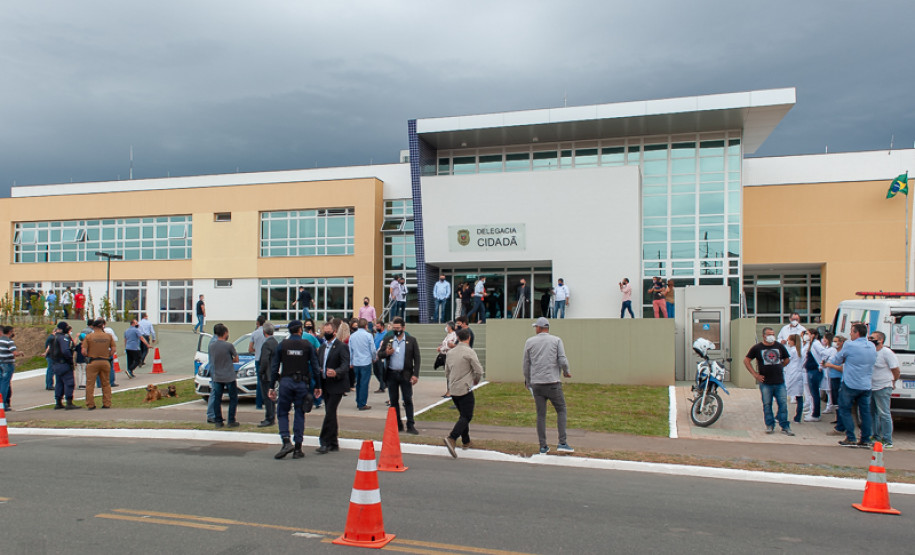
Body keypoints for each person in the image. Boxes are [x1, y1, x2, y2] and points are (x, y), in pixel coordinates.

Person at [268, 320, 322, 459]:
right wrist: (318, 386)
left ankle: (286, 441)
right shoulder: (307, 345)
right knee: (299, 413)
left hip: (286, 382)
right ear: (300, 331)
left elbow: (274, 368)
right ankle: (298, 448)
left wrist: (271, 386)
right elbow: (316, 367)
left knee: (282, 412)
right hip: (301, 384)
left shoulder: (282, 345)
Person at [523, 317, 573, 454]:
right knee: (561, 409)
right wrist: (566, 372)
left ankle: (543, 445)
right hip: (552, 382)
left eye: (536, 327)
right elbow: (562, 359)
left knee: (541, 415)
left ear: (539, 328)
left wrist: (528, 381)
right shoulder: (556, 340)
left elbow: (526, 364)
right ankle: (562, 442)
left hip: (537, 383)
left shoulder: (530, 342)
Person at [824, 323, 876, 447]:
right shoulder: (871, 345)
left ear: (857, 333)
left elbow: (836, 359)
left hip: (850, 383)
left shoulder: (849, 345)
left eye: (852, 332)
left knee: (844, 409)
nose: (850, 334)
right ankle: (865, 438)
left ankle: (851, 437)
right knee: (865, 412)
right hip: (866, 384)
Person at [743, 327, 794, 436]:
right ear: (764, 336)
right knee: (767, 404)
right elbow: (746, 360)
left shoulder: (779, 346)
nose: (772, 336)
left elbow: (787, 359)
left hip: (779, 381)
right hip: (765, 382)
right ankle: (770, 425)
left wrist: (781, 366)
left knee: (783, 405)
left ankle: (785, 426)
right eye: (769, 334)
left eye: (773, 334)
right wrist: (755, 374)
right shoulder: (757, 348)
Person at [442, 327, 484, 458]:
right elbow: (479, 370)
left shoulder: (450, 352)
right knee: (467, 416)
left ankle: (466, 441)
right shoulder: (469, 352)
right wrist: (476, 380)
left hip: (453, 388)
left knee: (462, 415)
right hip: (464, 388)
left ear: (457, 338)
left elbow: (447, 372)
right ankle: (452, 437)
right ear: (469, 338)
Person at [378, 316, 421, 434]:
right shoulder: (389, 339)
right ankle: (398, 424)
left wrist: (415, 374)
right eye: (394, 328)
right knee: (393, 400)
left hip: (405, 374)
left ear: (403, 328)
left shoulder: (411, 341)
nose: (396, 330)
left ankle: (410, 424)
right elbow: (380, 354)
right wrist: (386, 353)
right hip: (392, 373)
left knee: (407, 399)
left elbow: (417, 359)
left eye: (398, 328)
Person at [316, 322, 351, 453]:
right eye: (325, 331)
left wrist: (336, 372)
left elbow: (345, 364)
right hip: (325, 384)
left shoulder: (341, 347)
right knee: (330, 413)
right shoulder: (323, 347)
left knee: (330, 412)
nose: (326, 334)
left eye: (328, 331)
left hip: (337, 384)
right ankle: (333, 442)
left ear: (335, 332)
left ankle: (324, 441)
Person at [869, 331, 899, 448]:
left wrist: (893, 381)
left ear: (880, 340)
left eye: (872, 338)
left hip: (883, 387)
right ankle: (875, 436)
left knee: (884, 413)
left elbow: (895, 369)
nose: (870, 339)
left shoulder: (886, 352)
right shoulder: (871, 352)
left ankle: (887, 439)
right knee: (873, 413)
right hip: (872, 386)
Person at [208, 323, 240, 428]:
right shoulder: (228, 345)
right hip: (229, 376)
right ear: (225, 333)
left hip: (217, 376)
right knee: (233, 398)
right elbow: (236, 358)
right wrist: (230, 359)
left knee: (217, 399)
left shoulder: (211, 346)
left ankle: (218, 421)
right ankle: (231, 420)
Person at [83, 319, 114, 410]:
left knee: (90, 384)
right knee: (106, 384)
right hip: (105, 361)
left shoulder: (88, 337)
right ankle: (107, 403)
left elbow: (83, 351)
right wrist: (107, 355)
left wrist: (88, 355)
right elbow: (113, 349)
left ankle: (90, 404)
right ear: (102, 326)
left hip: (93, 361)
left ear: (93, 326)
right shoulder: (108, 336)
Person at [50, 321, 81, 410]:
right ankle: (69, 402)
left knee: (59, 383)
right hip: (63, 363)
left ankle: (58, 402)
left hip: (56, 363)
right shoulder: (63, 338)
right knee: (69, 383)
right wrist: (70, 359)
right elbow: (65, 351)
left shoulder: (53, 337)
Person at [348, 318, 376, 411]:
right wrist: (374, 357)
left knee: (358, 382)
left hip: (356, 361)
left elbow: (350, 350)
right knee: (364, 382)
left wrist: (350, 362)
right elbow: (372, 349)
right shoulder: (368, 335)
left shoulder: (352, 336)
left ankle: (358, 400)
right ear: (366, 326)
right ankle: (362, 403)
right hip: (366, 361)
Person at [803, 330, 828, 422]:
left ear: (813, 335)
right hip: (810, 370)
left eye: (808, 334)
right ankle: (813, 411)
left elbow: (825, 353)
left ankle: (816, 414)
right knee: (813, 393)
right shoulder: (811, 344)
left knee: (814, 393)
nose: (806, 336)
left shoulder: (816, 344)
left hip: (815, 371)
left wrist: (821, 365)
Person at [257, 322, 279, 427]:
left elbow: (264, 360)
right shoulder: (275, 342)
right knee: (272, 397)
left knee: (267, 397)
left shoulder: (266, 344)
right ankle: (271, 417)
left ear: (264, 332)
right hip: (273, 373)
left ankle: (269, 418)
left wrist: (261, 371)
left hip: (267, 374)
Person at [0, 326, 25, 405]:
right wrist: (20, 353)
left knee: (1, 381)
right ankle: (3, 403)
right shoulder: (9, 341)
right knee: (5, 383)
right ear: (10, 332)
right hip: (7, 363)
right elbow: (14, 353)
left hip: (0, 362)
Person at [784, 334, 805, 423]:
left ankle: (780, 415)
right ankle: (798, 417)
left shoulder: (792, 351)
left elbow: (786, 361)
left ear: (793, 341)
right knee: (799, 396)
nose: (788, 342)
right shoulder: (801, 351)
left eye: (789, 340)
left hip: (792, 375)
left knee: (783, 395)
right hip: (799, 375)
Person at [248, 316, 268, 411]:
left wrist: (257, 350)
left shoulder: (254, 334)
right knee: (267, 380)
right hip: (266, 359)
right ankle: (267, 401)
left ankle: (258, 403)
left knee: (259, 381)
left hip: (257, 359)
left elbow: (250, 349)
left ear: (257, 323)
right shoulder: (267, 333)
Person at [822, 333, 843, 415]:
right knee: (835, 399)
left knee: (838, 399)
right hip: (832, 376)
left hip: (839, 377)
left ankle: (840, 421)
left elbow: (841, 367)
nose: (834, 343)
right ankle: (838, 419)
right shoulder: (834, 351)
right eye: (833, 341)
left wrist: (829, 365)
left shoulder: (842, 353)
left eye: (836, 341)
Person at [438, 321, 458, 397]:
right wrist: (440, 348)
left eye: (447, 326)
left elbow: (451, 345)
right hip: (446, 356)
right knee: (447, 374)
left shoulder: (454, 335)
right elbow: (445, 344)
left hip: (452, 356)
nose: (446, 328)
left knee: (451, 374)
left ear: (450, 327)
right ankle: (448, 390)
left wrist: (444, 347)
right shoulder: (448, 335)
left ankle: (451, 391)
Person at [372, 319, 388, 393]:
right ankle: (384, 383)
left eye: (378, 326)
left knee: (381, 371)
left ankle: (382, 387)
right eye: (376, 326)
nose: (377, 328)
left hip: (381, 355)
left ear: (382, 326)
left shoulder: (386, 334)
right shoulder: (377, 334)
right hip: (375, 354)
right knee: (375, 371)